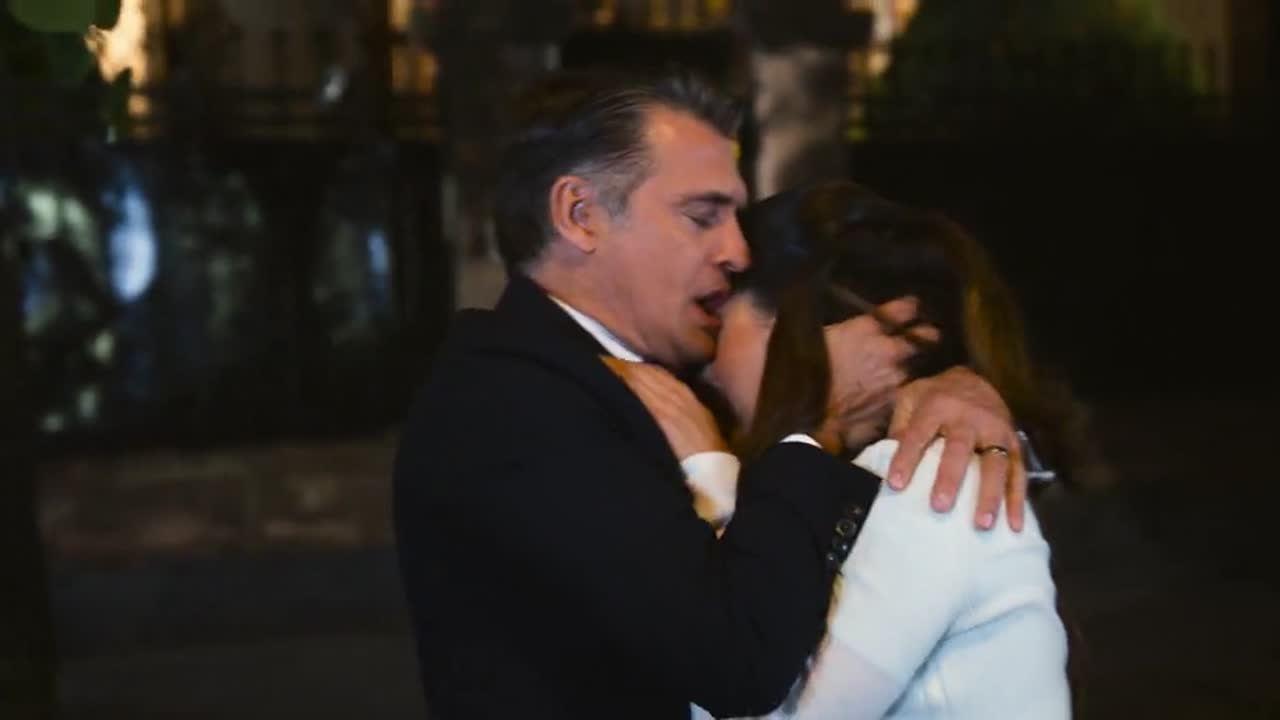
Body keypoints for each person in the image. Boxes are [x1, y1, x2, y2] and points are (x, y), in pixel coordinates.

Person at [392, 69, 1028, 718]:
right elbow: (737, 660)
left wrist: (959, 390)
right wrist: (817, 419)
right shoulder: (515, 403)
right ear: (580, 215)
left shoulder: (612, 380)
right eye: (703, 217)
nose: (738, 251)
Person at [616, 180, 1092, 719]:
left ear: (798, 329)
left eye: (724, 319)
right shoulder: (873, 477)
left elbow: (754, 702)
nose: (709, 366)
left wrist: (712, 478)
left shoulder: (934, 484)